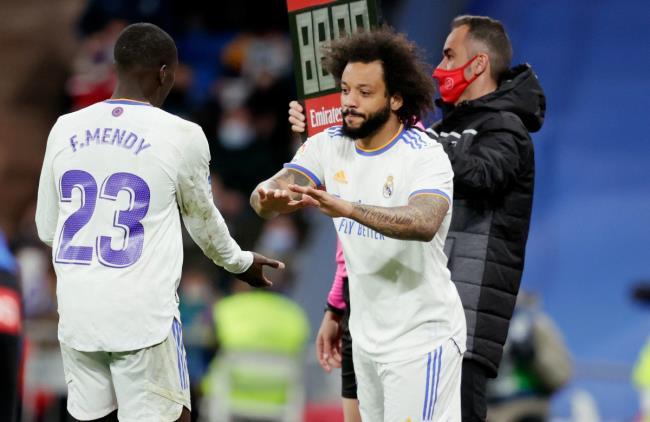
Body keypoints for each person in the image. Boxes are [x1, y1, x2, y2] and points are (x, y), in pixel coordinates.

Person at [289, 15, 546, 422]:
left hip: (460, 319)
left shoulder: (507, 129)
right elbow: (366, 197)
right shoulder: (437, 132)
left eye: (449, 55)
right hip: (400, 318)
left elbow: (482, 176)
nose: (439, 68)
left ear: (478, 64)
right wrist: (326, 137)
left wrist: (405, 137)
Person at [35, 23, 283, 422]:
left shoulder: (64, 128)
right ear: (165, 73)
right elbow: (204, 223)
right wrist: (240, 263)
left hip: (78, 315)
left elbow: (48, 228)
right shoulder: (180, 134)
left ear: (117, 67)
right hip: (142, 319)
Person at [251, 27, 467, 421]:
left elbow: (424, 221)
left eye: (364, 93)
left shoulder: (425, 155)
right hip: (367, 340)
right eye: (345, 89)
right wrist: (267, 197)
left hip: (422, 339)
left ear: (395, 99)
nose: (349, 101)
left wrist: (350, 208)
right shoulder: (327, 144)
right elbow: (274, 189)